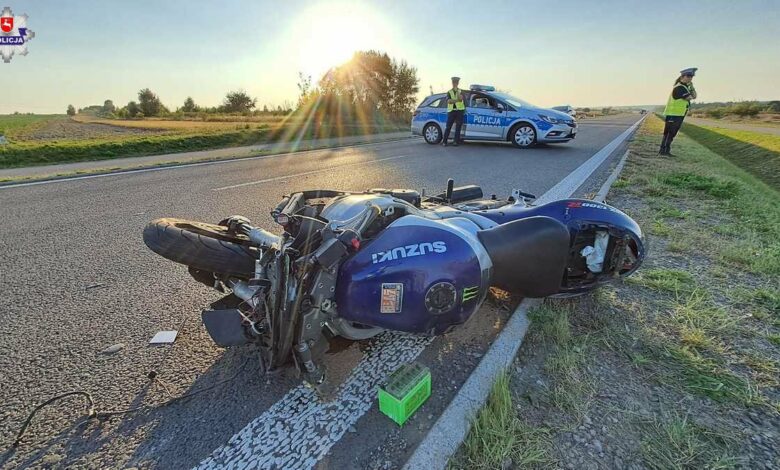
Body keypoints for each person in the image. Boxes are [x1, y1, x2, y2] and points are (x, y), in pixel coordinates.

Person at [659, 67, 698, 155]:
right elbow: (690, 97)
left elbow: (694, 96)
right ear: (682, 77)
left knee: (672, 133)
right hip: (673, 114)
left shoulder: (685, 87)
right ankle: (664, 151)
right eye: (688, 76)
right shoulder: (679, 88)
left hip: (678, 114)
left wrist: (692, 87)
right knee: (669, 133)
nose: (690, 78)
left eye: (691, 77)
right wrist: (691, 91)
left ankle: (665, 151)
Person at [442, 76, 466, 146]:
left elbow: (461, 99)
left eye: (456, 82)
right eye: (453, 82)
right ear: (452, 83)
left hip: (459, 111)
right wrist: (456, 100)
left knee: (458, 127)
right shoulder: (449, 92)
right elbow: (449, 101)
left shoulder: (461, 91)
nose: (455, 84)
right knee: (448, 127)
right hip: (451, 111)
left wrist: (457, 92)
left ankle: (455, 142)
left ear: (458, 83)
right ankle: (444, 141)